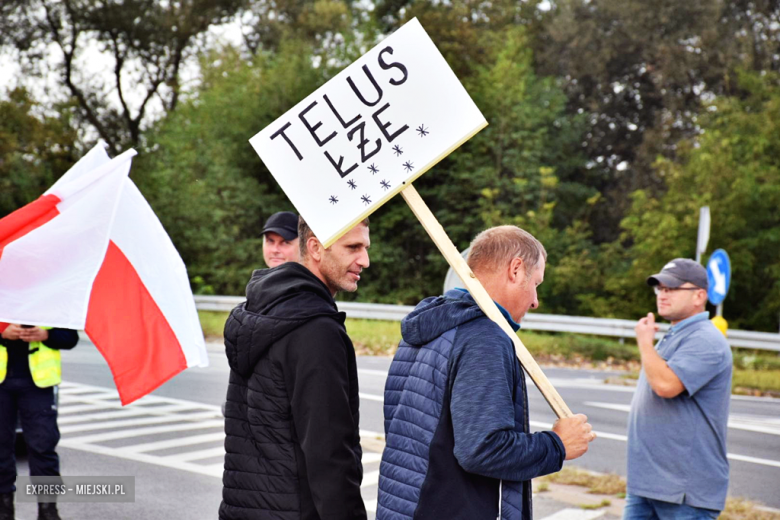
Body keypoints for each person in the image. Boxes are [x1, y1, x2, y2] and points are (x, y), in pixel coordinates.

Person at [376, 225, 595, 520]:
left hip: (406, 506)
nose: (535, 300)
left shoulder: (429, 326)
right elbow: (482, 449)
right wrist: (557, 445)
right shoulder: (483, 337)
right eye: (536, 284)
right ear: (516, 269)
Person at [220, 217, 370, 520]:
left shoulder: (259, 308)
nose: (365, 260)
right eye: (353, 247)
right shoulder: (316, 330)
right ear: (315, 247)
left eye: (365, 248)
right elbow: (329, 456)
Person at [624, 258, 733, 519]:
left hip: (685, 494)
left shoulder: (706, 339)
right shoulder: (676, 333)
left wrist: (645, 343)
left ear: (699, 296)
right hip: (648, 487)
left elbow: (665, 385)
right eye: (660, 288)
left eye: (672, 288)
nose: (663, 294)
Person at [0, 324, 79, 520]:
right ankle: (3, 508)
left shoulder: (49, 297)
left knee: (43, 446)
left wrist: (47, 334)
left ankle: (48, 509)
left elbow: (70, 338)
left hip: (39, 385)